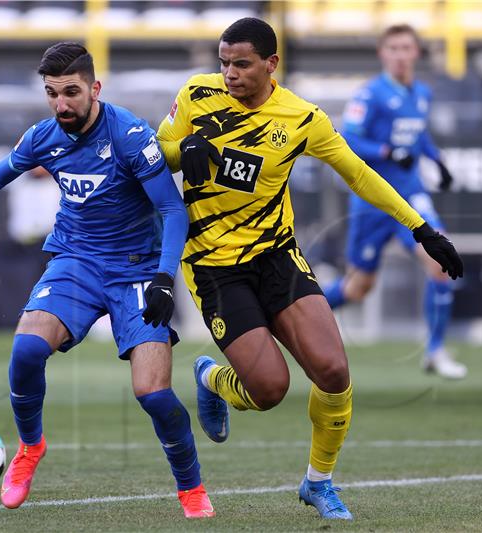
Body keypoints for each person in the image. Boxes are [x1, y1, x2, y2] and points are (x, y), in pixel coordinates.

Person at [0, 42, 215, 519]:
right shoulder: (44, 136)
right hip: (76, 260)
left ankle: (191, 489)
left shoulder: (131, 136)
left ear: (95, 89)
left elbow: (171, 209)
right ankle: (30, 448)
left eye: (71, 92)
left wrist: (163, 278)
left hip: (136, 269)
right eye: (52, 93)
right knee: (27, 350)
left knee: (153, 395)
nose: (62, 104)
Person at [156, 18, 463, 520]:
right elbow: (158, 153)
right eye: (224, 62)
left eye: (241, 64)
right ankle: (211, 378)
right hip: (213, 265)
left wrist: (422, 229)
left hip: (277, 255)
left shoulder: (301, 118)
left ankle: (319, 482)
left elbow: (360, 174)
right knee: (270, 390)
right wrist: (182, 148)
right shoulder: (195, 94)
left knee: (334, 371)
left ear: (271, 64)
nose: (229, 73)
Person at [322, 24, 466, 379]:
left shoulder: (422, 93)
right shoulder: (370, 95)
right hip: (374, 201)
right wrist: (386, 151)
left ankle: (434, 351)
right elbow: (348, 140)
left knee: (439, 261)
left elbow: (417, 135)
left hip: (412, 197)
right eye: (394, 48)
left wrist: (437, 160)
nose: (401, 54)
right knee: (358, 288)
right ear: (383, 53)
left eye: (406, 48)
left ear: (416, 52)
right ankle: (291, 313)